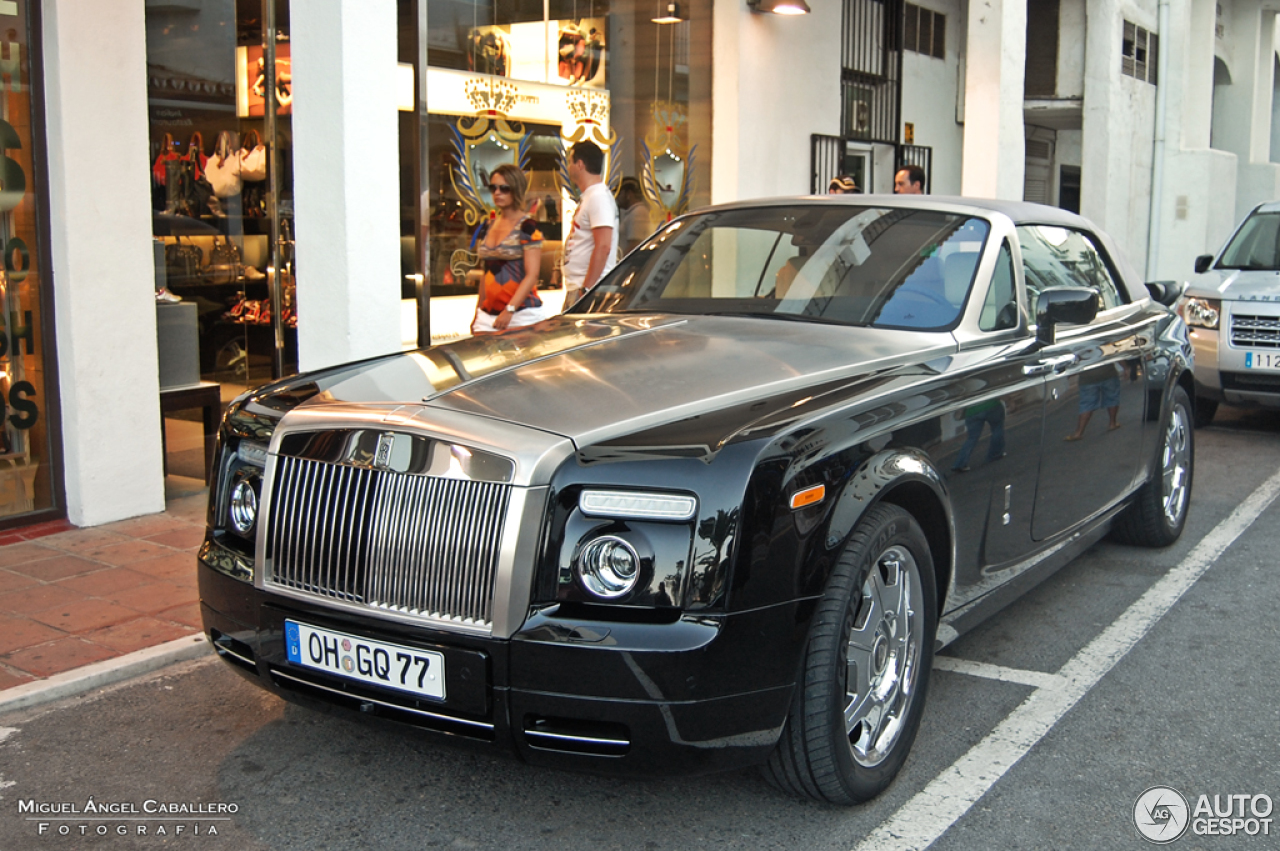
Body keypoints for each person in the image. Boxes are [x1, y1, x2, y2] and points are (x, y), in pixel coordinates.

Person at [470, 163, 549, 334]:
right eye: (493, 188)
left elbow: (532, 274)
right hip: (488, 314)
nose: (497, 193)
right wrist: (478, 311)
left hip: (522, 313)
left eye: (504, 188)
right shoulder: (487, 226)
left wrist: (509, 310)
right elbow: (486, 273)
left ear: (516, 190)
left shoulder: (527, 226)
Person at [561, 140, 619, 306]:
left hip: (591, 291)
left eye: (570, 162)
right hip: (583, 288)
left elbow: (603, 246)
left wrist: (587, 290)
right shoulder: (591, 196)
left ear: (579, 164)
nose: (568, 167)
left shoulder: (598, 197)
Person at [616, 176, 650, 254]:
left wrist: (621, 263)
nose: (617, 197)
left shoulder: (638, 213)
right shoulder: (633, 212)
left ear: (629, 194)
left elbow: (634, 245)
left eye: (619, 193)